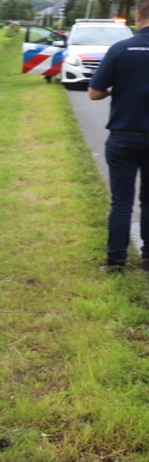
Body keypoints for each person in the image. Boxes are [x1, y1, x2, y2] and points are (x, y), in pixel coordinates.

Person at [89, 4, 149, 272]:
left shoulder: (121, 49)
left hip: (124, 135)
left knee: (122, 201)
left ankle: (116, 261)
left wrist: (117, 88)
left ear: (138, 15)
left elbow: (94, 93)